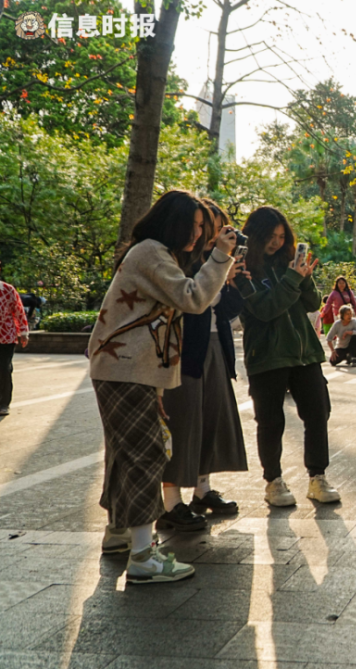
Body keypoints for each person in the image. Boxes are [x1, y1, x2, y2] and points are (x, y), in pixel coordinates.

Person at [89, 190, 235, 583]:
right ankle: (142, 556)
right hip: (125, 368)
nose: (200, 234)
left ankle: (119, 535)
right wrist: (220, 257)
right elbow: (194, 298)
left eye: (205, 228)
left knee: (127, 452)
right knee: (146, 453)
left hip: (127, 368)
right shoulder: (151, 252)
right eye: (196, 225)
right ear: (174, 222)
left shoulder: (153, 253)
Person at [236, 206, 341, 507]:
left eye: (282, 236)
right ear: (255, 236)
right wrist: (292, 280)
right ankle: (274, 481)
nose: (277, 243)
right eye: (270, 236)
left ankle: (317, 478)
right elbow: (265, 309)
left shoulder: (287, 265)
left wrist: (303, 277)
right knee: (270, 421)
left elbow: (312, 303)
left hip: (304, 353)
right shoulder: (243, 271)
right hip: (267, 355)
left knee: (318, 413)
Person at [158, 201, 248, 531]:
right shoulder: (181, 261)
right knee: (182, 422)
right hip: (185, 350)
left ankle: (202, 490)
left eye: (225, 228)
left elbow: (224, 313)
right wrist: (217, 271)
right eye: (213, 227)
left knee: (209, 420)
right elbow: (191, 302)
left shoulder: (217, 263)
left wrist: (232, 283)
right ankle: (171, 504)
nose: (218, 235)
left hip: (215, 346)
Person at [0, 260, 29, 416]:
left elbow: (19, 311)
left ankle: (4, 403)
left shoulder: (7, 289)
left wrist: (23, 332)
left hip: (6, 336)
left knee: (4, 368)